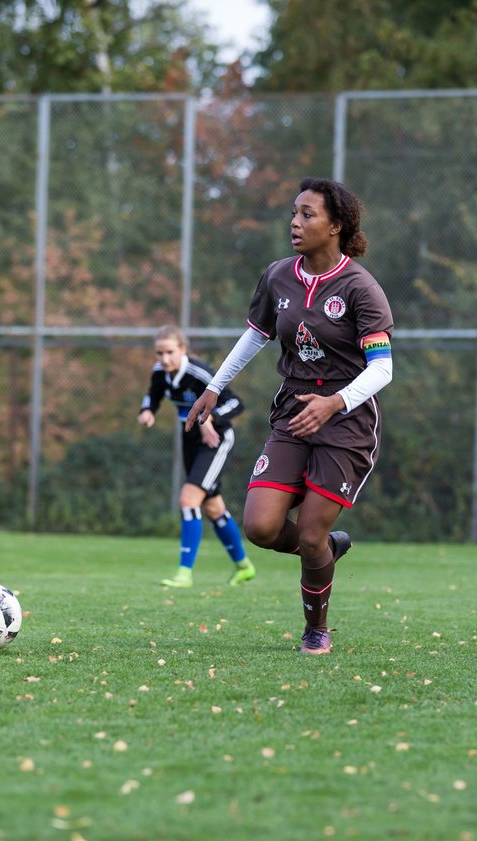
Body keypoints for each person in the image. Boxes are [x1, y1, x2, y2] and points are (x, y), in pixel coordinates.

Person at [185, 177, 394, 655]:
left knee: (313, 530)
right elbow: (256, 336)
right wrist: (214, 386)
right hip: (294, 407)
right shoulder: (279, 275)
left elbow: (382, 369)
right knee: (259, 527)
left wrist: (335, 402)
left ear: (336, 226)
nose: (295, 222)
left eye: (307, 214)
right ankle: (323, 551)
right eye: (294, 213)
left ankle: (316, 629)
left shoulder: (361, 288)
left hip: (346, 418)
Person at [137, 325, 256, 588]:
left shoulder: (199, 373)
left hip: (215, 440)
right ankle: (244, 567)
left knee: (188, 499)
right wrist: (148, 411)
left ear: (182, 350)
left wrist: (211, 417)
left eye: (170, 352)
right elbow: (153, 395)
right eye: (159, 353)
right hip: (190, 439)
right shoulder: (160, 373)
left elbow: (236, 403)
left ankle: (184, 573)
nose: (164, 359)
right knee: (213, 507)